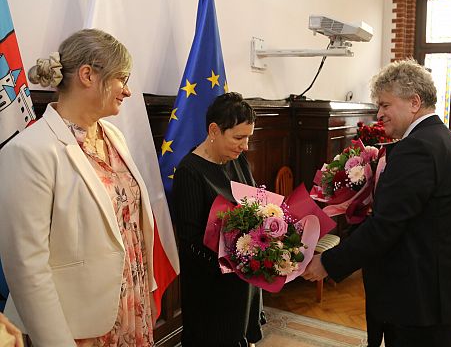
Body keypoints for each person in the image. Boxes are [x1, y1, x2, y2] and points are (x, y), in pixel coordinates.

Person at [303, 59, 451, 347]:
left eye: (385, 105)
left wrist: (329, 263)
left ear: (414, 102)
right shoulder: (439, 138)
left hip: (423, 302)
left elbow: (387, 226)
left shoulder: (418, 147)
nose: (379, 114)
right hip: (439, 293)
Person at [0, 29, 157, 347]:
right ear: (88, 75)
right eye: (121, 78)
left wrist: (145, 290)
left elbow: (130, 225)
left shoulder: (113, 135)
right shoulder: (30, 151)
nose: (127, 91)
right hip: (79, 327)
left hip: (129, 305)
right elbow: (27, 266)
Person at [171, 92, 265, 347]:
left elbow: (255, 205)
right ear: (214, 130)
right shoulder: (189, 171)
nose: (245, 146)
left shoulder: (238, 160)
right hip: (211, 286)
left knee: (243, 337)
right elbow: (190, 241)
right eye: (238, 137)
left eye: (248, 137)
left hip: (243, 277)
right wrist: (232, 259)